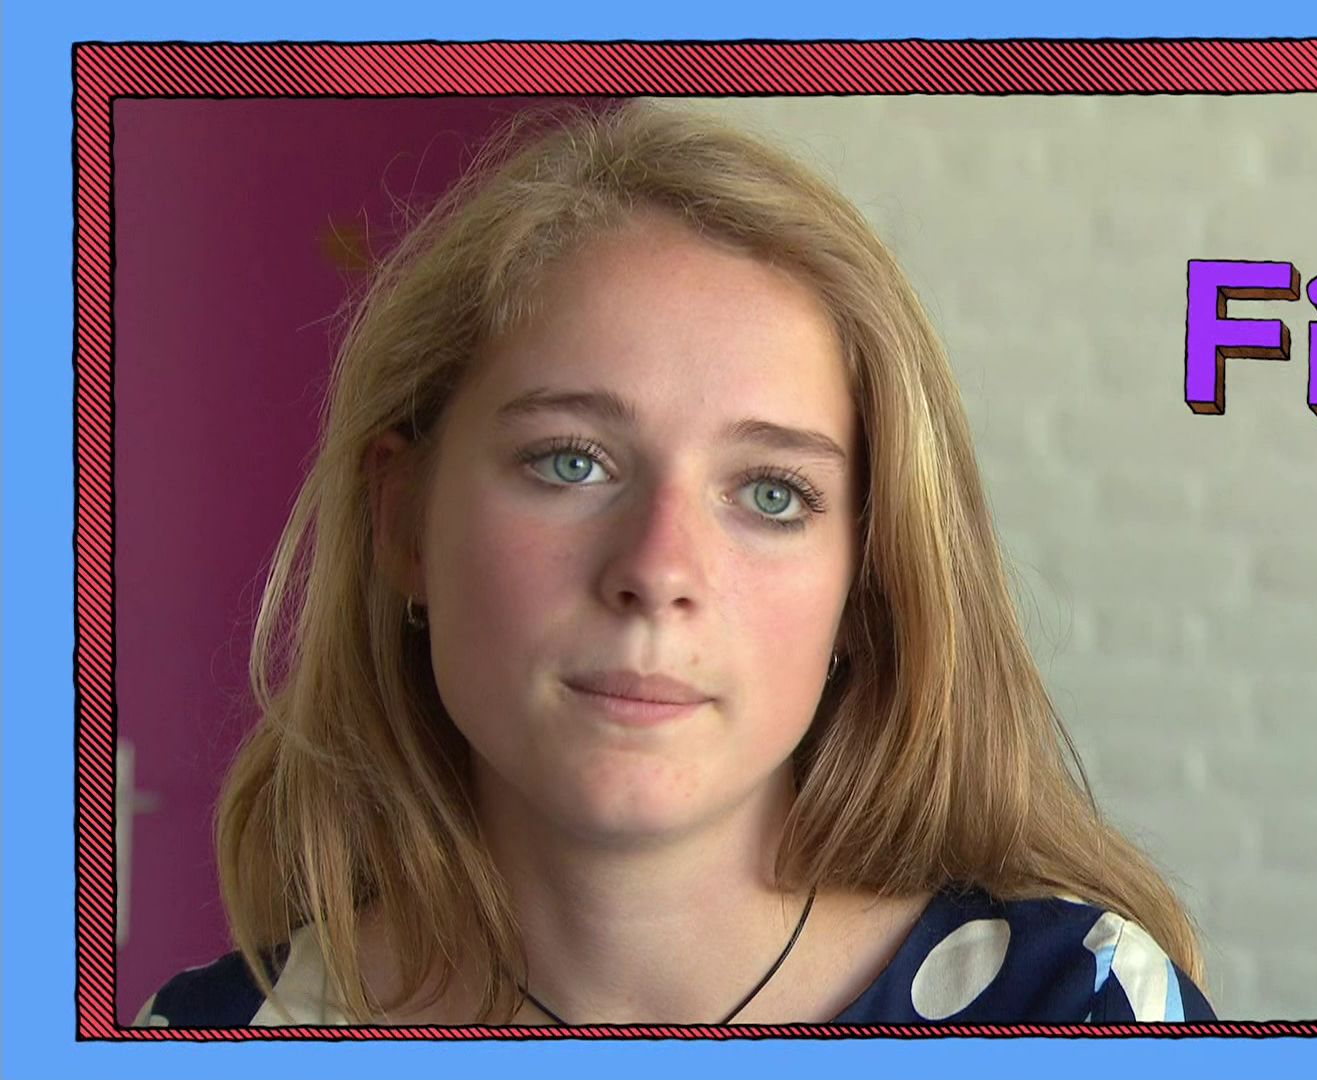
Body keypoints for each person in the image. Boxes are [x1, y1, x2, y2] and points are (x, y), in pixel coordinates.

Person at [131, 99, 1215, 1028]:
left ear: (867, 586)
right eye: (571, 461)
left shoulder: (1078, 1010)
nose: (659, 569)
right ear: (403, 522)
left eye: (772, 493)